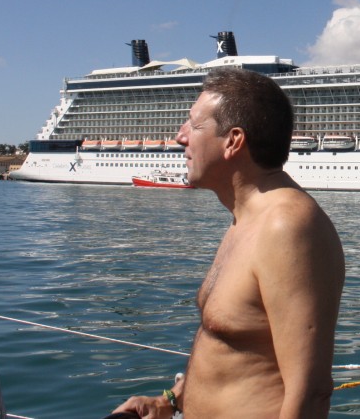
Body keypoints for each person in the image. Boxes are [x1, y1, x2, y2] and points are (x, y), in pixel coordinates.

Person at [111, 67, 346, 419]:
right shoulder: (245, 218)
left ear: (234, 140)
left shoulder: (287, 225)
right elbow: (233, 348)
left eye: (194, 125)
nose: (180, 136)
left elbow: (310, 393)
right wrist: (170, 401)